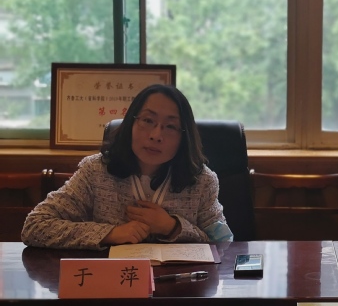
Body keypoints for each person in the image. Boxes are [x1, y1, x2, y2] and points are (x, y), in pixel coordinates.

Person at [22, 84, 233, 249]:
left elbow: (224, 243)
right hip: (113, 283)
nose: (156, 135)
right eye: (148, 120)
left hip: (180, 285)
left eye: (170, 126)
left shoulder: (202, 181)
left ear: (184, 137)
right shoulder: (95, 171)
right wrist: (110, 234)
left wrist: (172, 227)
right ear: (131, 123)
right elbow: (35, 226)